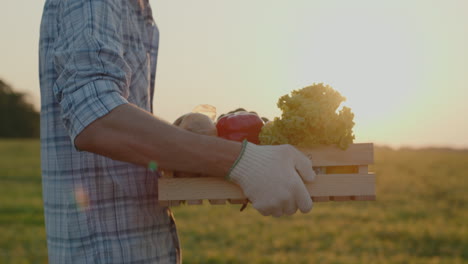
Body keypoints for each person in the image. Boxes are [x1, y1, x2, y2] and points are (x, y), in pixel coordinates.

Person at [39, 0, 316, 263]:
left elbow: (117, 125)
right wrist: (241, 161)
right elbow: (95, 118)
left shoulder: (137, 8)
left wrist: (190, 149)